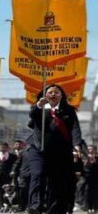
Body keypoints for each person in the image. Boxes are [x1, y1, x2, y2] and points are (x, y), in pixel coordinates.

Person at [25, 84, 82, 214]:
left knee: (56, 181)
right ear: (45, 95)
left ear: (61, 95)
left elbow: (75, 128)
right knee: (38, 174)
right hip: (38, 149)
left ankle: (53, 209)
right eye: (50, 92)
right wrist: (39, 105)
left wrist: (77, 144)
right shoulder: (39, 108)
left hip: (58, 152)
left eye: (56, 92)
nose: (53, 94)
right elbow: (32, 115)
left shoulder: (69, 110)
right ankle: (35, 206)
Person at [0, 142, 17, 208]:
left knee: (5, 189)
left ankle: (4, 203)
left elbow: (15, 164)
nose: (2, 148)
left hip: (7, 175)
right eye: (1, 147)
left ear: (7, 148)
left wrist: (13, 171)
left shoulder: (12, 156)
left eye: (4, 147)